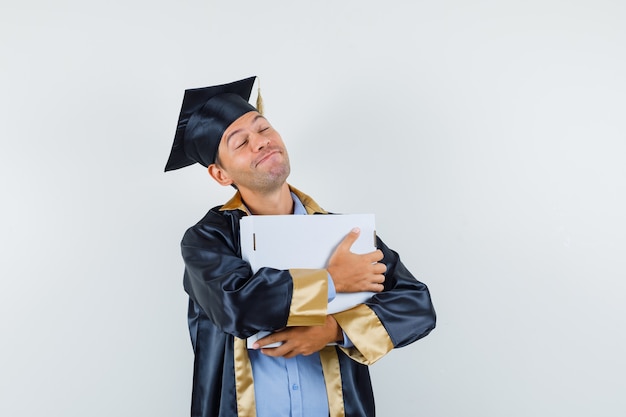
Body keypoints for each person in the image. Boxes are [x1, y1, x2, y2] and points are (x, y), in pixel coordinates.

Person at [165, 76, 436, 417]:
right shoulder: (207, 240)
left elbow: (416, 305)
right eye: (240, 142)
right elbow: (237, 307)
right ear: (221, 175)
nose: (260, 142)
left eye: (263, 129)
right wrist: (332, 282)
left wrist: (332, 330)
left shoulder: (342, 233)